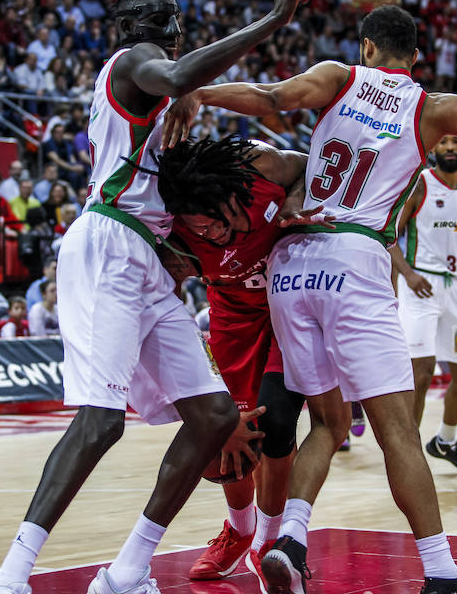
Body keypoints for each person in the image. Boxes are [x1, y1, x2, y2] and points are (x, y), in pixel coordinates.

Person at [163, 1, 457, 593]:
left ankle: (288, 540)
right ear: (415, 58)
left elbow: (273, 98)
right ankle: (440, 573)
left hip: (290, 267)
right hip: (355, 259)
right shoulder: (433, 109)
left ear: (366, 48)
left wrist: (200, 92)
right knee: (398, 435)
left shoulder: (339, 77)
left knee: (329, 426)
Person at [0, 0, 304, 590]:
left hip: (145, 254)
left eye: (174, 17)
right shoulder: (132, 61)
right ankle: (10, 577)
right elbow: (175, 72)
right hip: (110, 242)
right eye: (157, 18)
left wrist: (193, 96)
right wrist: (272, 22)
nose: (170, 29)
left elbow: (184, 91)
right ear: (127, 27)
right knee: (100, 421)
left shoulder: (164, 94)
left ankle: (126, 571)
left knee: (214, 414)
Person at [135, 136, 327, 587]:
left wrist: (296, 203)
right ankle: (239, 531)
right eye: (200, 230)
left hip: (288, 305)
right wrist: (206, 388)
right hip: (233, 319)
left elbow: (306, 165)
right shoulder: (175, 236)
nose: (213, 234)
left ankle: (269, 542)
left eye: (218, 223)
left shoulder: (262, 168)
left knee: (275, 427)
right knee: (228, 437)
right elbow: (166, 316)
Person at [390, 135, 457, 474]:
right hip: (420, 286)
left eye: (456, 142)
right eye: (443, 141)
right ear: (433, 150)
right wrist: (407, 276)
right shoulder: (419, 184)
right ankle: (407, 451)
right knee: (421, 372)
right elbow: (389, 235)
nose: (449, 147)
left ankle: (445, 440)